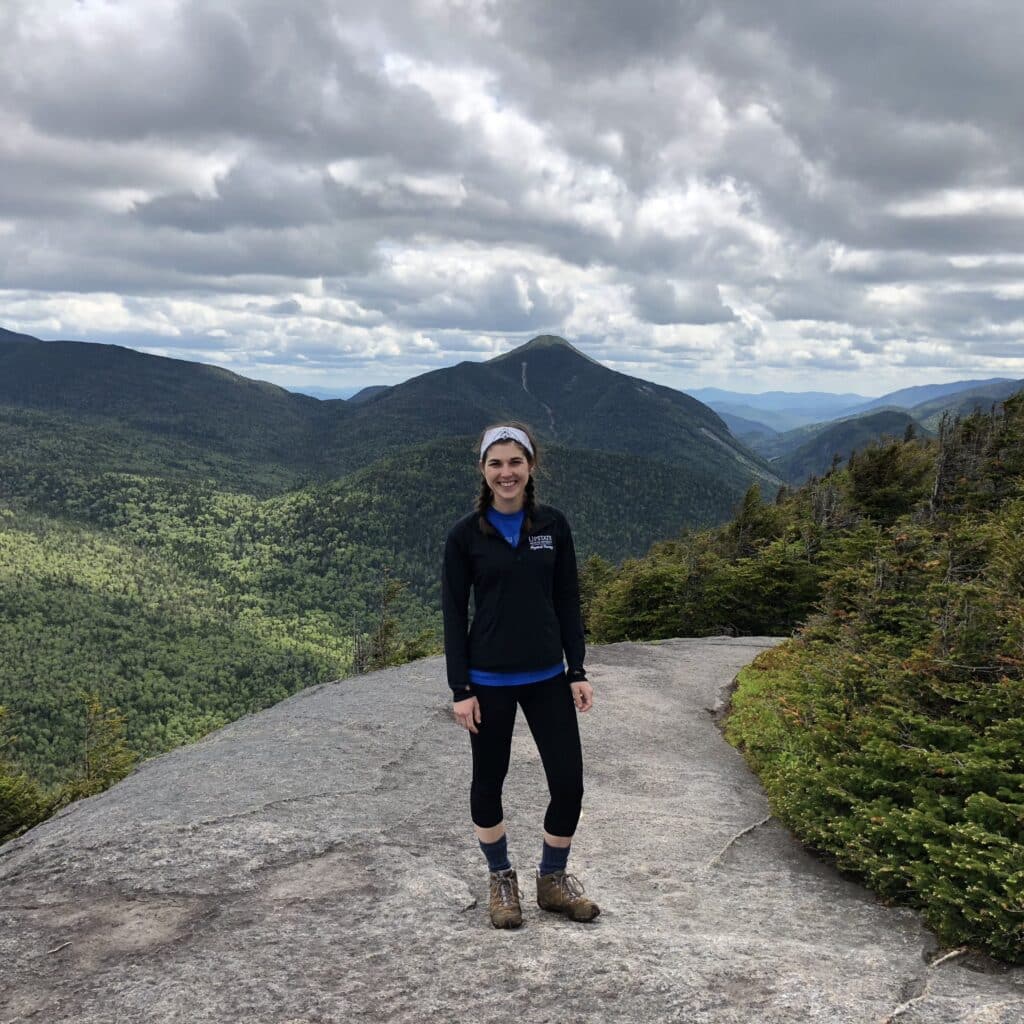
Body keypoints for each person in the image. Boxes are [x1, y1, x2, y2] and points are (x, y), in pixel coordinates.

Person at [441, 422, 600, 929]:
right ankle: (501, 879)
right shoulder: (464, 536)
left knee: (569, 784)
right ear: (483, 471)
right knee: (488, 783)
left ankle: (552, 880)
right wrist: (460, 688)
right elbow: (451, 612)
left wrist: (577, 668)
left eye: (515, 462)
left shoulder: (553, 527)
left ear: (531, 467)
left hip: (547, 677)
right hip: (487, 681)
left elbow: (568, 599)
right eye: (496, 463)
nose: (506, 473)